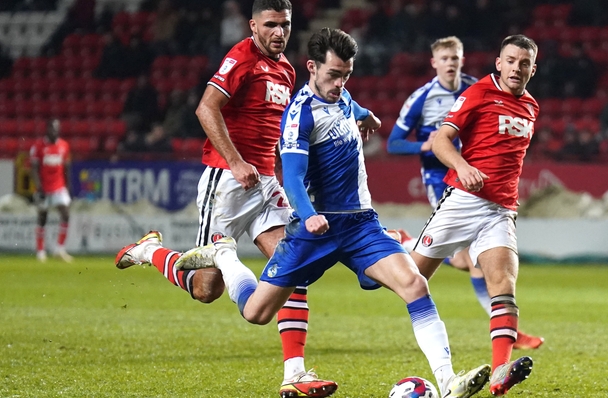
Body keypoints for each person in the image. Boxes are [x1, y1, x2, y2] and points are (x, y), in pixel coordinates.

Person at [174, 27, 492, 398]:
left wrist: (367, 114)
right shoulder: (300, 115)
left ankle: (447, 381)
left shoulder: (340, 95)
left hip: (359, 224)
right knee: (257, 313)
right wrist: (308, 214)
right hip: (315, 229)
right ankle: (225, 256)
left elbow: (348, 103)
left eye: (347, 74)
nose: (340, 83)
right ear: (311, 68)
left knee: (414, 284)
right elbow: (291, 176)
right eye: (333, 75)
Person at [113, 1, 337, 397]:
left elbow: (279, 131)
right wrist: (234, 161)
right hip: (228, 184)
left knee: (293, 265)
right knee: (205, 290)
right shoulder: (241, 57)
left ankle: (295, 374)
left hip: (266, 185)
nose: (279, 32)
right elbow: (205, 108)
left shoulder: (286, 69)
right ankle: (150, 251)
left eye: (284, 24)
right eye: (270, 24)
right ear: (254, 25)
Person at [387, 36, 543, 352]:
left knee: (483, 268)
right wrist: (427, 147)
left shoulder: (490, 91)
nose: (451, 63)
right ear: (434, 62)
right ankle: (404, 242)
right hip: (442, 181)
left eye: (455, 57)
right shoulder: (425, 97)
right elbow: (394, 143)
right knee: (426, 273)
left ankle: (506, 340)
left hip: (489, 197)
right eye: (444, 58)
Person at [30, 119, 73, 263]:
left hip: (59, 186)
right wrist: (39, 187)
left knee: (65, 213)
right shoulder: (38, 147)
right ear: (47, 129)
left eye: (57, 129)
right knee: (43, 217)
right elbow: (34, 169)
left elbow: (66, 167)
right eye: (52, 129)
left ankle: (59, 249)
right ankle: (40, 251)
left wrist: (68, 186)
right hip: (44, 188)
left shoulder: (64, 146)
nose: (55, 131)